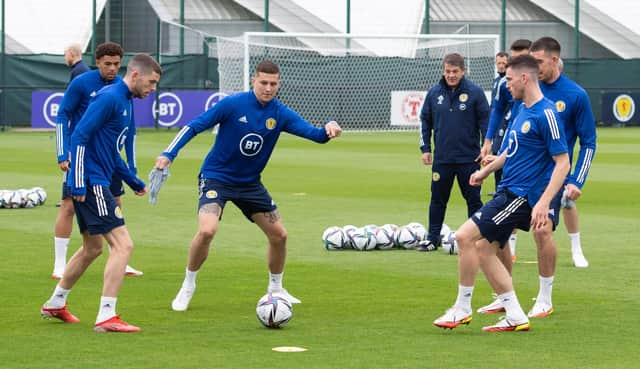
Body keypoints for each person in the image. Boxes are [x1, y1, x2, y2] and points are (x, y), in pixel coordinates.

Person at [155, 60, 342, 312]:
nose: (267, 88)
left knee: (279, 236)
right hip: (216, 177)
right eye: (263, 82)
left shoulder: (280, 113)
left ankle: (276, 288)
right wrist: (169, 153)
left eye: (273, 84)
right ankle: (188, 284)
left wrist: (329, 127)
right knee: (208, 230)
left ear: (279, 84)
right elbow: (195, 125)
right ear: (254, 80)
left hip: (249, 184)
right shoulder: (233, 105)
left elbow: (316, 135)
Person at [433, 54, 569, 332]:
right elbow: (511, 151)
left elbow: (563, 162)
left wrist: (543, 202)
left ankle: (461, 308)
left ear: (524, 78)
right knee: (483, 249)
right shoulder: (521, 109)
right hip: (507, 191)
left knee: (463, 237)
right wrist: (485, 171)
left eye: (508, 79)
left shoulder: (547, 113)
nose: (505, 85)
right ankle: (516, 315)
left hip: (521, 196)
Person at [40, 53, 161, 332]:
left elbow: (109, 150)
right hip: (91, 182)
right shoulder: (110, 97)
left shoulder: (125, 102)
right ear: (135, 76)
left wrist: (131, 180)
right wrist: (79, 181)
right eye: (151, 82)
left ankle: (56, 303)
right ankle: (107, 316)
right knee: (124, 245)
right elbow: (80, 135)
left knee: (93, 248)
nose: (153, 88)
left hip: (96, 179)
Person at [53, 42, 143, 280]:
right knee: (69, 204)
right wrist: (63, 152)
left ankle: (120, 257)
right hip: (81, 156)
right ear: (97, 62)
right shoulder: (82, 83)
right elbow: (63, 115)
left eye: (116, 64)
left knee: (115, 201)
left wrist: (131, 168)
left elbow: (129, 130)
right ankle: (59, 263)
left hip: (109, 157)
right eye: (107, 64)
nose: (112, 69)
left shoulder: (122, 89)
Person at [416, 53, 490, 251]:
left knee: (474, 200)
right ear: (443, 71)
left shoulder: (475, 92)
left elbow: (486, 123)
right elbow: (425, 122)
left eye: (455, 72)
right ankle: (432, 239)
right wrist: (425, 149)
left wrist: (486, 148)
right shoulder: (434, 93)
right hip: (443, 159)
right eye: (448, 71)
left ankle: (478, 239)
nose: (451, 75)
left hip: (469, 158)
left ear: (463, 71)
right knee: (438, 199)